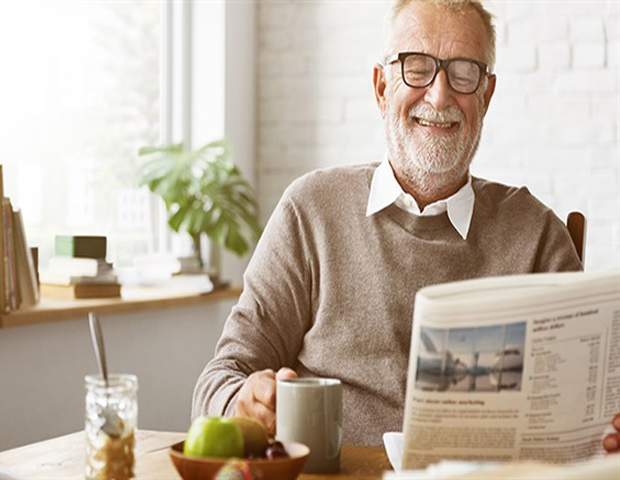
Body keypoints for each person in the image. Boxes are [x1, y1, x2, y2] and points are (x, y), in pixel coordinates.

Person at [192, 0, 600, 447]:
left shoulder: (537, 236)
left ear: (486, 96)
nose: (440, 95)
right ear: (381, 87)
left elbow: (583, 415)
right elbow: (220, 379)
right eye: (416, 67)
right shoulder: (310, 212)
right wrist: (241, 402)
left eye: (464, 73)